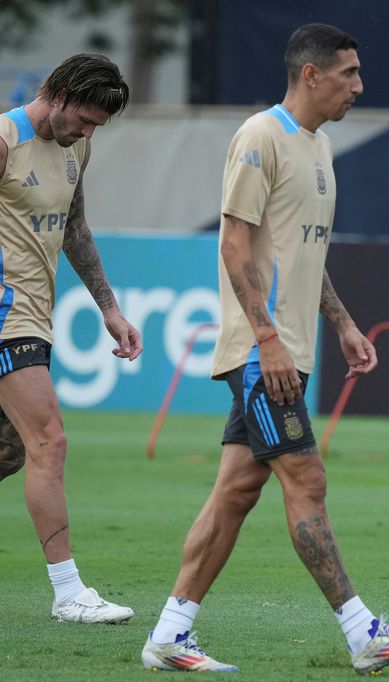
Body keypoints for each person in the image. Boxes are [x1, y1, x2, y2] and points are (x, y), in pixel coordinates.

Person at [140, 24, 389, 674]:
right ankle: (363, 633)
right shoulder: (258, 137)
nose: (359, 87)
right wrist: (269, 340)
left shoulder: (320, 146)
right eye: (349, 74)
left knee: (234, 494)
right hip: (261, 353)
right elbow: (232, 245)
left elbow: (302, 253)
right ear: (311, 75)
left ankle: (169, 634)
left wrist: (343, 323)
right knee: (307, 478)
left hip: (289, 348)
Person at [0, 53, 142, 624]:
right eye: (82, 121)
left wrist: (109, 308)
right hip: (7, 314)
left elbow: (75, 228)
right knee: (48, 442)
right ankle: (68, 593)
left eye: (94, 129)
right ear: (56, 92)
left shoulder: (75, 148)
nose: (86, 134)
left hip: (38, 315)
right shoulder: (5, 139)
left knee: (11, 450)